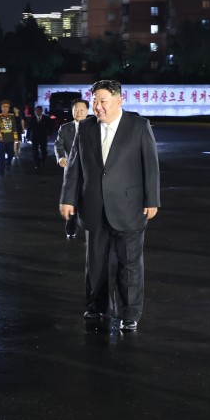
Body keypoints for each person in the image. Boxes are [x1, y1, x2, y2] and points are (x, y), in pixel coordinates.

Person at [59, 80, 160, 332]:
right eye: (94, 101)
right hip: (94, 206)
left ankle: (130, 313)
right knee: (95, 263)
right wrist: (68, 198)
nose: (97, 107)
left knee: (129, 265)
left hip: (129, 207)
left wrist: (152, 199)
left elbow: (151, 165)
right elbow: (74, 168)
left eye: (102, 101)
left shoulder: (138, 126)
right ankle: (96, 306)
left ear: (118, 101)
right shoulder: (85, 128)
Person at [54, 98, 89, 238]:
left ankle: (90, 227)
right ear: (72, 111)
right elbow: (58, 145)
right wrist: (61, 157)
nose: (79, 112)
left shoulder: (95, 127)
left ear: (87, 111)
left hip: (89, 172)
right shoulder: (65, 128)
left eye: (82, 110)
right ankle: (71, 227)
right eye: (76, 109)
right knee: (71, 199)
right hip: (71, 170)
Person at [0, 101, 20, 176]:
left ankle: (8, 163)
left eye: (7, 108)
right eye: (4, 108)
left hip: (10, 138)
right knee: (1, 156)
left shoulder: (11, 116)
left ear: (8, 109)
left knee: (11, 153)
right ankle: (2, 171)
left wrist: (16, 138)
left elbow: (14, 127)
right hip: (2, 139)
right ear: (1, 108)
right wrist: (0, 137)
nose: (5, 109)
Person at [28, 105, 50, 170]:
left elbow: (50, 127)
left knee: (44, 151)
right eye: (36, 111)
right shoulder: (33, 119)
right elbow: (30, 128)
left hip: (43, 137)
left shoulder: (46, 118)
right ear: (35, 111)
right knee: (35, 151)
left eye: (39, 111)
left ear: (41, 111)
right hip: (35, 137)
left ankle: (42, 161)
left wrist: (49, 135)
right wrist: (28, 136)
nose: (38, 112)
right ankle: (37, 164)